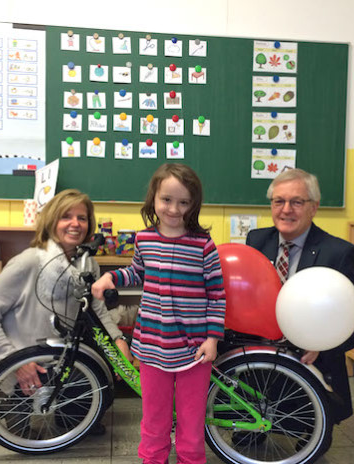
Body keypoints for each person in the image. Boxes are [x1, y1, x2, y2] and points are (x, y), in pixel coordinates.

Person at [92, 163, 226, 464]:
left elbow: (217, 296)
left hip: (194, 352)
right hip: (152, 347)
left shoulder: (203, 245)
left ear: (194, 204)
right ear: (154, 198)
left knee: (191, 424)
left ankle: (190, 459)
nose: (174, 209)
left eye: (183, 202)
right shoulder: (144, 240)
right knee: (154, 420)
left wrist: (212, 339)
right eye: (166, 199)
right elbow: (136, 272)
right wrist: (110, 277)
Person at [246, 168, 354, 427]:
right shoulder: (256, 240)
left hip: (310, 362)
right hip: (258, 358)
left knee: (310, 442)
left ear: (314, 207)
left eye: (296, 202)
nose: (286, 210)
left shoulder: (339, 253)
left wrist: (324, 343)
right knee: (248, 435)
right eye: (279, 201)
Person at [0, 189, 132, 397]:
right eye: (66, 216)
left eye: (81, 218)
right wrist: (16, 361)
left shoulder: (87, 263)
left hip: (63, 357)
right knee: (19, 425)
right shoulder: (28, 262)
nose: (75, 223)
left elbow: (97, 309)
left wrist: (118, 340)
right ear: (51, 221)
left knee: (102, 393)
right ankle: (12, 401)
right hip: (24, 361)